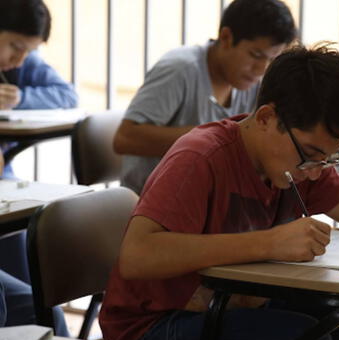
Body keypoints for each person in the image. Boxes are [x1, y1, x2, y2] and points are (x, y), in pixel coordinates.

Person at [99, 43, 339, 340]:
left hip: (233, 307)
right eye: (311, 153)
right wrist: (269, 242)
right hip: (154, 330)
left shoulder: (301, 164)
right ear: (266, 117)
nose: (318, 170)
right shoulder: (200, 158)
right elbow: (137, 255)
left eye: (329, 159)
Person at [113, 0, 297, 195]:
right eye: (255, 55)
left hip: (208, 200)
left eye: (271, 59)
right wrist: (211, 139)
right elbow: (125, 138)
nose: (261, 69)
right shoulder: (180, 70)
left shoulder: (254, 81)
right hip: (151, 201)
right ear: (226, 37)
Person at [0, 0, 76, 340]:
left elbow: (65, 93)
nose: (19, 60)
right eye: (15, 47)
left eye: (26, 52)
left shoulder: (17, 66)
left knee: (45, 311)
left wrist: (20, 99)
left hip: (5, 186)